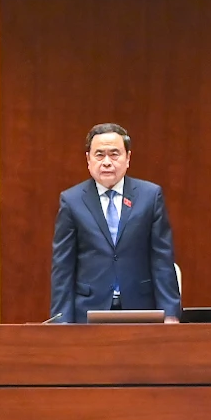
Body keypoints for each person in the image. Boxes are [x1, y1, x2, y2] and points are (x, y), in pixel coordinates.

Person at [49, 123, 182, 324]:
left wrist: (170, 313)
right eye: (99, 155)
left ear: (128, 158)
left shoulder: (150, 196)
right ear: (88, 159)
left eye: (114, 154)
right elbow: (63, 266)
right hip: (88, 310)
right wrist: (60, 320)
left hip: (141, 308)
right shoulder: (72, 200)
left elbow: (162, 259)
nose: (107, 162)